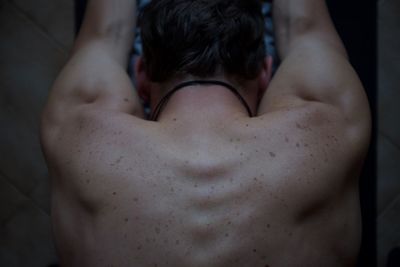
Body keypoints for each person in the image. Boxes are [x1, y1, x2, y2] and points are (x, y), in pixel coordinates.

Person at [40, 0, 371, 266]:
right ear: (265, 72)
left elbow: (106, 34)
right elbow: (302, 26)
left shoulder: (81, 131)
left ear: (140, 74)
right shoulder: (327, 120)